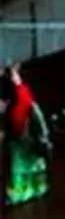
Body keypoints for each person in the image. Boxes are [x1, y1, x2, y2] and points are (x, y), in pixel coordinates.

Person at [1, 67, 47, 206]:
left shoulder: (19, 102)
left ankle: (19, 194)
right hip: (28, 139)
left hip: (21, 139)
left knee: (18, 168)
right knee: (32, 166)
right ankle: (37, 189)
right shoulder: (25, 98)